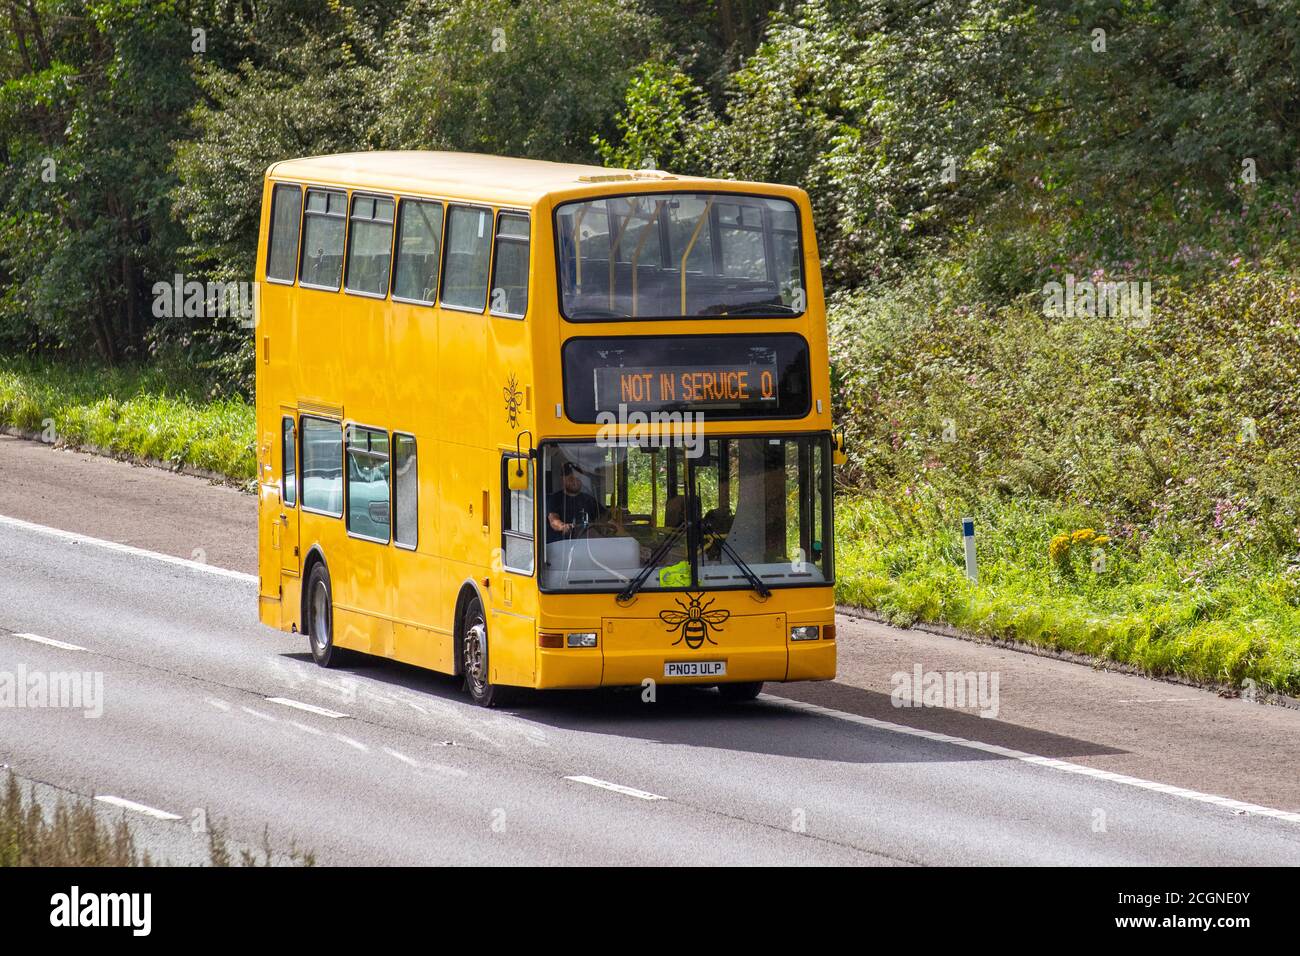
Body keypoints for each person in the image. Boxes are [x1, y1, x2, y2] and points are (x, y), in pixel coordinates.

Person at [546, 462, 603, 541]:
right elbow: (554, 520)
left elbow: (606, 517)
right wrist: (563, 526)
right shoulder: (554, 499)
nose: (575, 481)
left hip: (587, 546)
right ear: (562, 479)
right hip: (561, 547)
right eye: (570, 478)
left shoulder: (589, 500)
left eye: (578, 478)